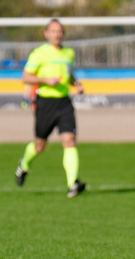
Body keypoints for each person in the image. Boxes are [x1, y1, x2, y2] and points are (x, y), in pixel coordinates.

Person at [14, 19, 87, 198]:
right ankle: (24, 165)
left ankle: (72, 183)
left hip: (64, 103)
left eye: (60, 31)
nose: (57, 34)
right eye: (54, 31)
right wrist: (46, 80)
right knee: (40, 145)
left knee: (69, 140)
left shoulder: (68, 53)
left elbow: (67, 72)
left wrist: (75, 83)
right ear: (46, 33)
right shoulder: (39, 53)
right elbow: (25, 77)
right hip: (45, 103)